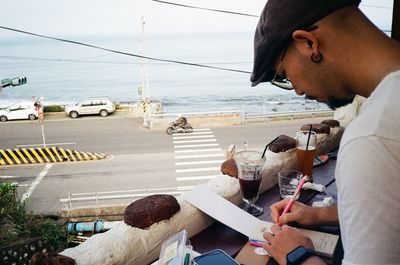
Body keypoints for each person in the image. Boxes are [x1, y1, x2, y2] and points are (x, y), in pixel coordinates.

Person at [250, 1, 400, 264]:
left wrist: (298, 255)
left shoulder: (372, 137)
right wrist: (321, 215)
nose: (296, 90)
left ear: (308, 43)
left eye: (283, 75)